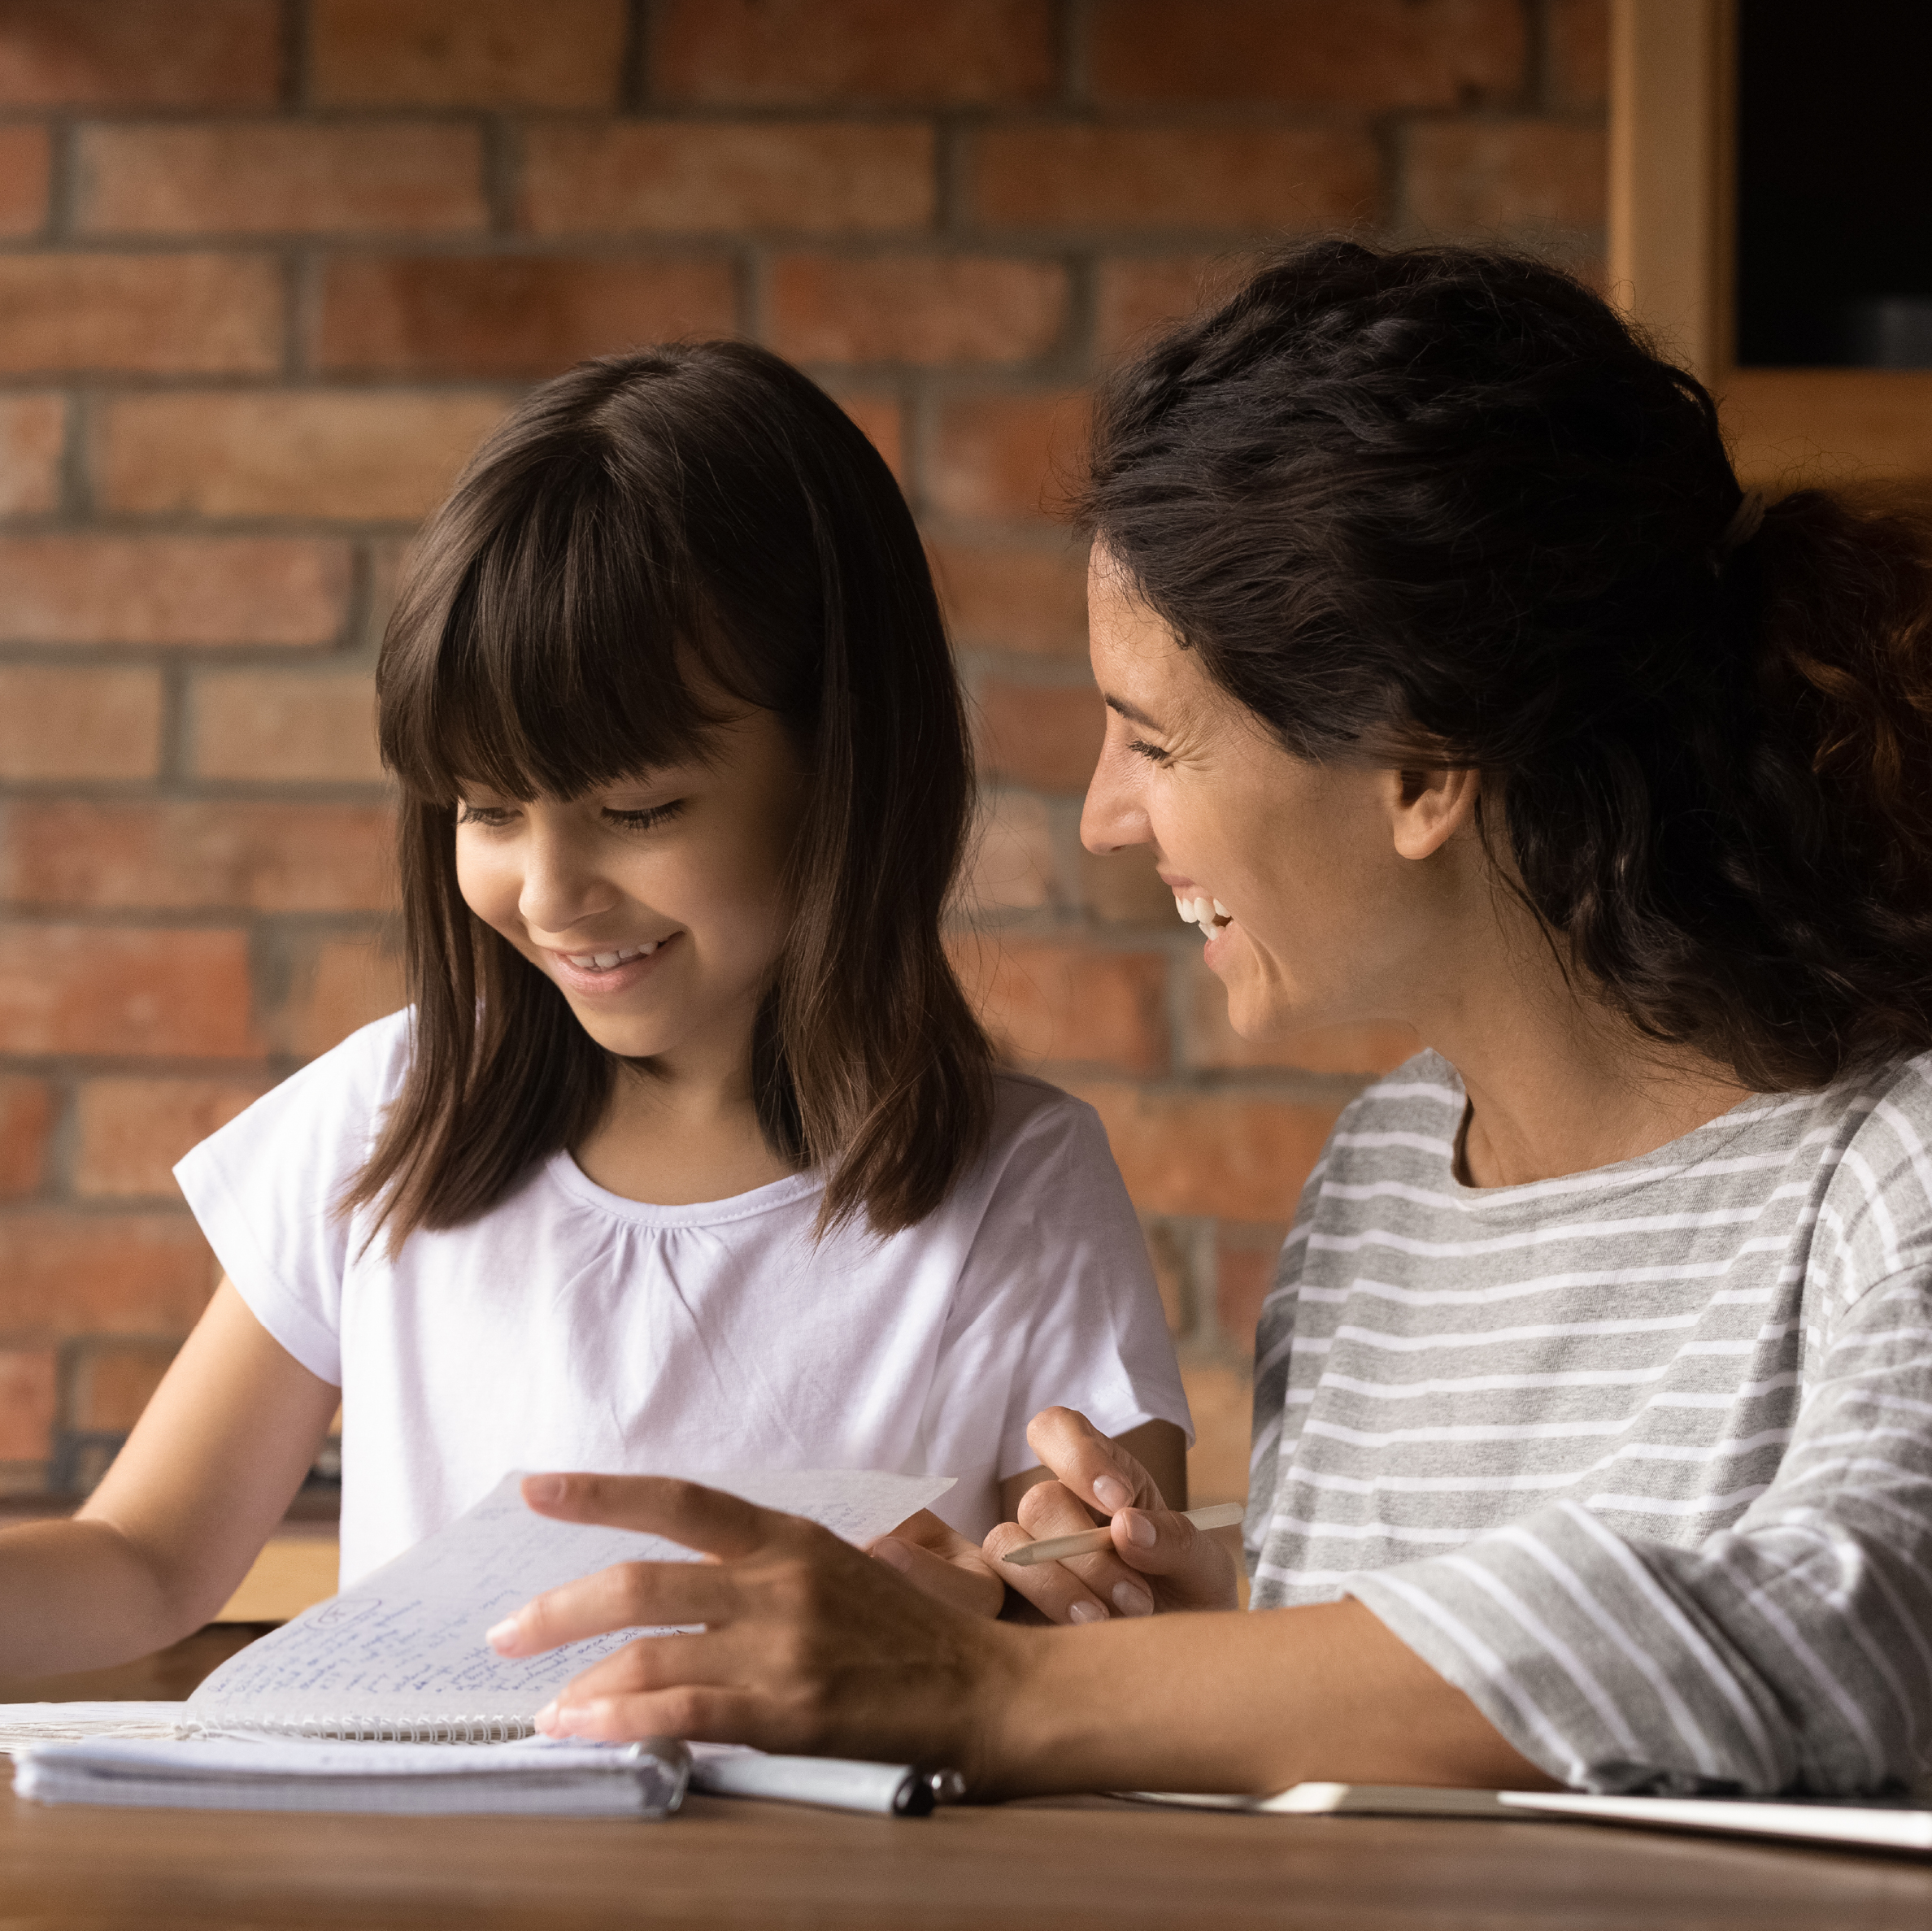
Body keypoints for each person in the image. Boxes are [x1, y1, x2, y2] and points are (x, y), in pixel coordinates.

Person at [485, 242, 1932, 1801]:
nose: (1108, 819)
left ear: (1422, 769)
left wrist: (1006, 1697)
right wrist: (1178, 1627)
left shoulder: (1887, 1165)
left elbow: (1854, 1634)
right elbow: (1440, 1725)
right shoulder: (1382, 1181)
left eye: (1156, 740)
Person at [0, 341, 1192, 1677]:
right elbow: (144, 1562)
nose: (551, 892)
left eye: (638, 812)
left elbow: (1113, 1601)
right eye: (488, 811)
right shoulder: (389, 1125)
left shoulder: (1013, 1188)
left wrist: (1020, 1582)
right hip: (442, 1882)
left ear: (843, 771)